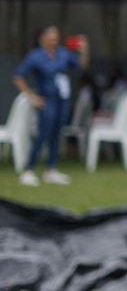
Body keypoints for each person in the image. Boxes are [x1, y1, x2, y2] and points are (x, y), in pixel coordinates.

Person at [12, 26, 89, 186]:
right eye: (51, 35)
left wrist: (84, 50)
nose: (55, 38)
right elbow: (18, 77)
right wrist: (32, 96)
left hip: (62, 100)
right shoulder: (35, 56)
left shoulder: (62, 53)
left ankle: (50, 170)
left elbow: (82, 65)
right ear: (42, 38)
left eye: (56, 35)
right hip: (47, 100)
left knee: (56, 135)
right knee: (43, 134)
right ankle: (29, 169)